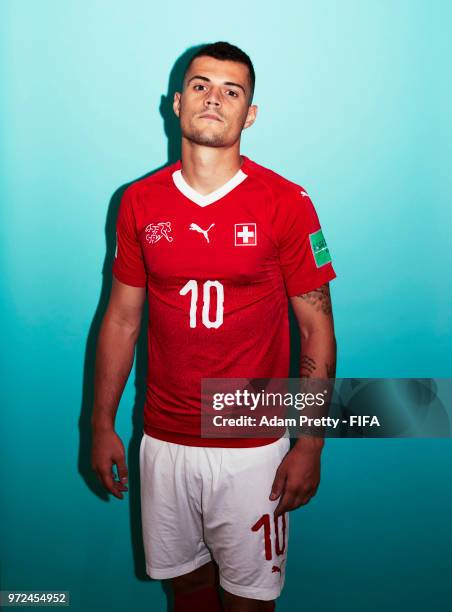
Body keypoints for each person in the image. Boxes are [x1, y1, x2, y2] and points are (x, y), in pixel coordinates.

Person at [91, 41, 337, 612]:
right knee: (188, 593)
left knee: (249, 602)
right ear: (177, 103)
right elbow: (122, 318)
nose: (214, 98)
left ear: (249, 115)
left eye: (232, 91)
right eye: (201, 85)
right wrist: (100, 423)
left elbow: (317, 328)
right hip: (163, 440)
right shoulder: (137, 203)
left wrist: (311, 441)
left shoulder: (287, 203)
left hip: (250, 445)